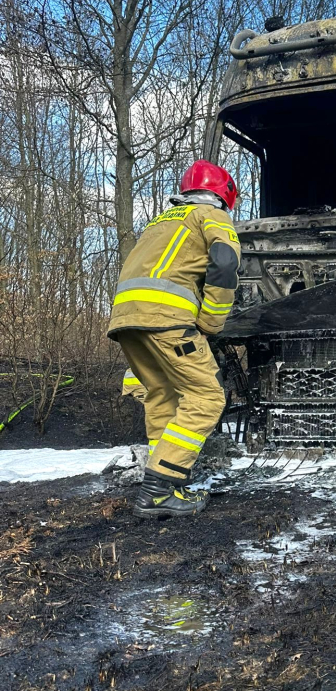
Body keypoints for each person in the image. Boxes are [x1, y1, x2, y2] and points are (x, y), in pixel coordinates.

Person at [107, 160, 240, 518]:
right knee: (207, 398)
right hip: (167, 320)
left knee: (162, 394)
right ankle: (157, 491)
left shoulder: (160, 222)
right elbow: (225, 264)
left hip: (126, 320)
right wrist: (211, 322)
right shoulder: (210, 215)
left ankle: (165, 480)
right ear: (223, 195)